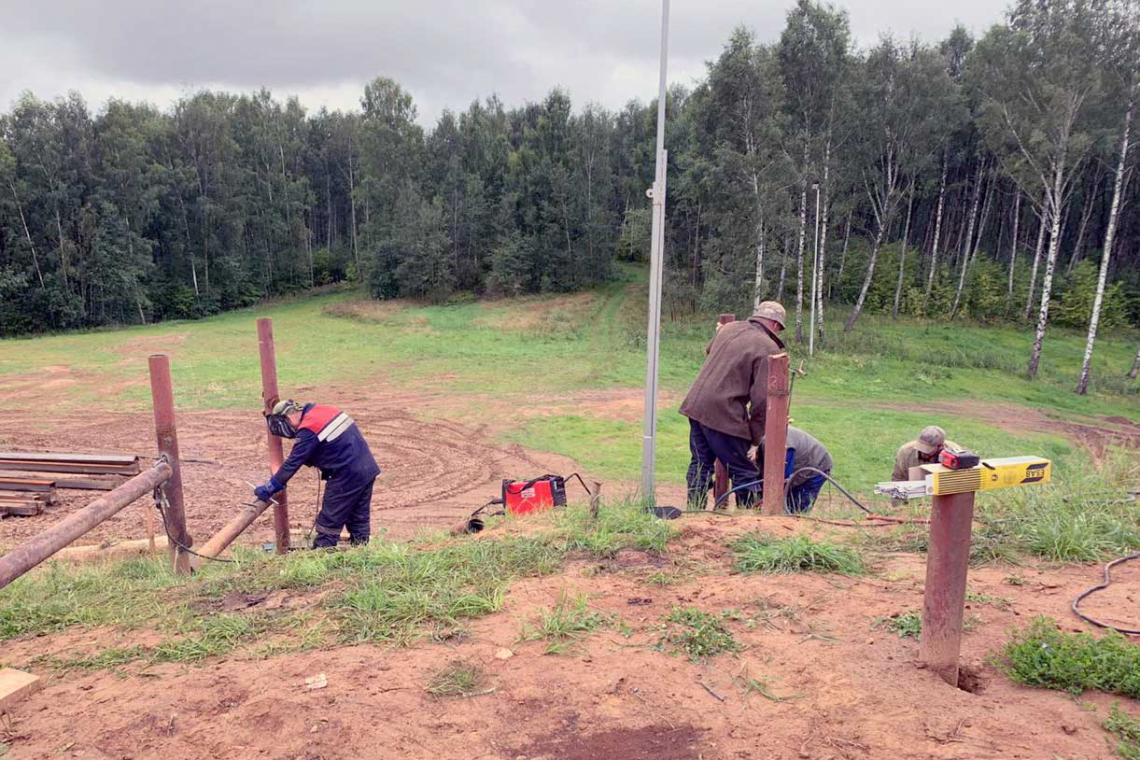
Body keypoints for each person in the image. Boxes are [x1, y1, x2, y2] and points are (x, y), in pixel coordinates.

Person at [680, 301, 786, 508]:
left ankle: (694, 512)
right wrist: (756, 439)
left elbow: (710, 351)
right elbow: (763, 400)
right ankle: (747, 519)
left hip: (696, 405)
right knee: (744, 470)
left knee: (700, 463)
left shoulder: (728, 328)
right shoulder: (768, 348)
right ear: (775, 325)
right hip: (722, 412)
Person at [255, 399, 381, 548]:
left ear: (287, 419)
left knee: (329, 520)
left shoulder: (309, 428)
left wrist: (271, 487)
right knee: (358, 516)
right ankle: (362, 554)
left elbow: (293, 463)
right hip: (367, 469)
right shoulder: (322, 411)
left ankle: (323, 555)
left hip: (346, 474)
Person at [758, 426, 833, 513]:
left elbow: (783, 479)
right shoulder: (765, 442)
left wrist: (768, 498)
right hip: (800, 462)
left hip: (818, 465)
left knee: (799, 507)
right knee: (787, 503)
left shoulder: (781, 446)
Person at [892, 425, 959, 481]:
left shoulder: (955, 454)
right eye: (920, 447)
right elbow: (898, 478)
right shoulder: (906, 452)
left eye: (928, 449)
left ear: (940, 446)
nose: (923, 452)